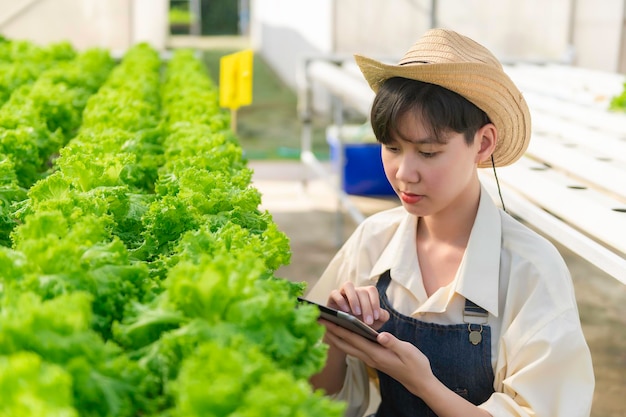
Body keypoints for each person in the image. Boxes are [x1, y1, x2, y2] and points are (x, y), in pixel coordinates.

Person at [305, 28, 595, 417]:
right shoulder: (373, 240)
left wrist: (422, 383)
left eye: (428, 152)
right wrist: (335, 335)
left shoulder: (531, 271)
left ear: (484, 143)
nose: (404, 173)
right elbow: (318, 397)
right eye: (392, 147)